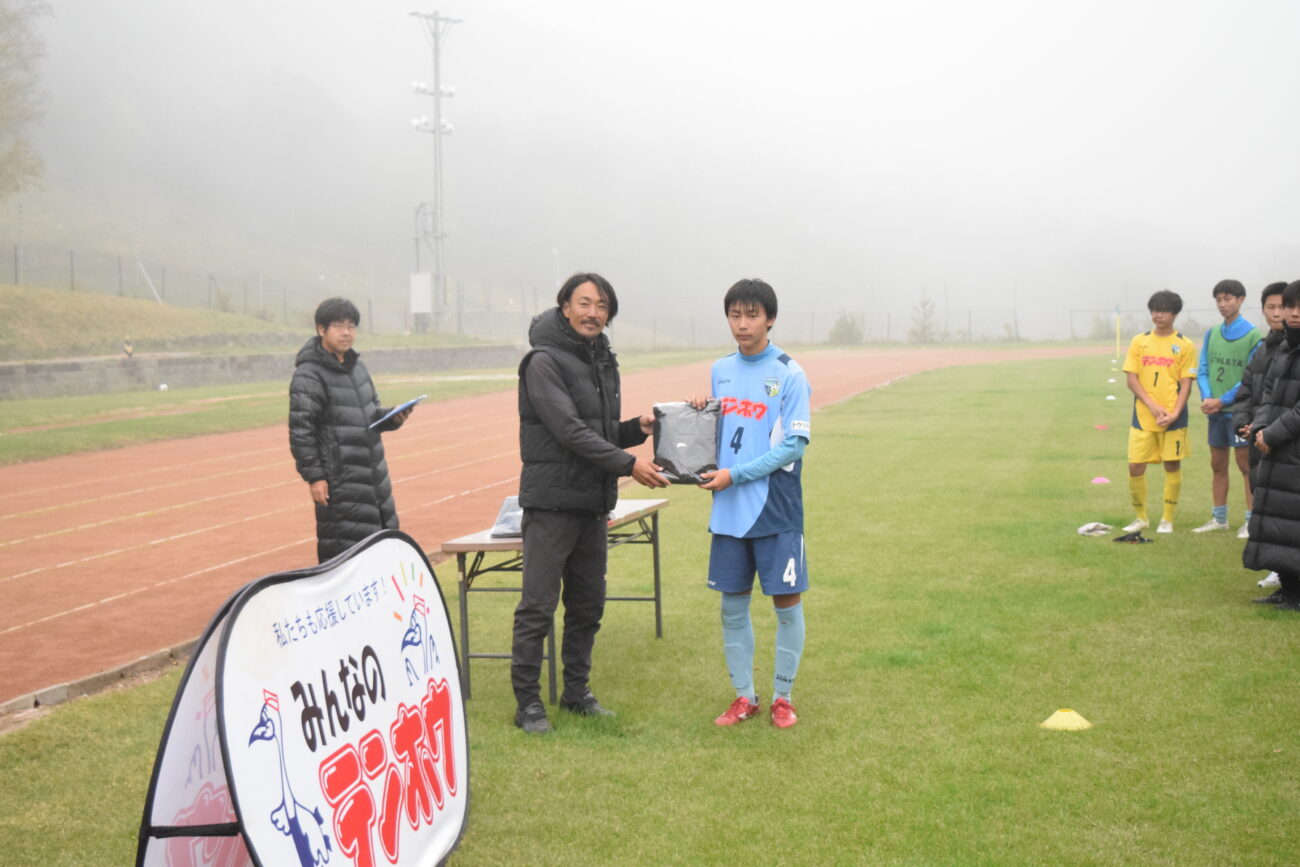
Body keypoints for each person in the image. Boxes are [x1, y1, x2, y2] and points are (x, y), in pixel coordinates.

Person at [511, 273, 668, 734]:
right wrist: (629, 464)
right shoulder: (542, 362)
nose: (593, 313)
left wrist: (636, 428)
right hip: (551, 504)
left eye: (602, 306)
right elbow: (568, 430)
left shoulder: (600, 359)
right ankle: (528, 703)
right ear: (564, 307)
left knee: (587, 606)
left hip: (592, 503)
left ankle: (576, 693)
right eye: (584, 303)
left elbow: (597, 431)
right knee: (538, 606)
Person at [694, 279, 812, 730]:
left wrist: (736, 475)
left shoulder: (789, 373)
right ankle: (745, 697)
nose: (742, 324)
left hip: (775, 508)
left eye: (752, 315)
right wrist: (700, 412)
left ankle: (783, 698)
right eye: (734, 315)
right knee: (732, 605)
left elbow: (793, 446)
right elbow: (718, 434)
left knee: (786, 602)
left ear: (770, 318)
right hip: (728, 508)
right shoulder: (720, 370)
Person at [289, 297, 412, 563]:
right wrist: (315, 476)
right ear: (321, 329)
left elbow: (371, 414)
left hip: (374, 479)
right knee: (346, 555)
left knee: (382, 551)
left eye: (351, 326)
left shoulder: (358, 368)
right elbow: (301, 430)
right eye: (338, 326)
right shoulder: (309, 375)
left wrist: (392, 418)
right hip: (340, 482)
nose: (346, 333)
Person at [1242, 280, 1300, 609]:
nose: (1293, 313)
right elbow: (1267, 393)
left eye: (1299, 307)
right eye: (1290, 306)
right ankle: (1288, 589)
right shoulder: (1283, 347)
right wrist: (1261, 428)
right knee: (1279, 524)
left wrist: (1273, 433)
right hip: (1274, 450)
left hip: (1291, 448)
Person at [1122, 290, 1196, 534]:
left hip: (1174, 418)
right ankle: (1141, 517)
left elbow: (1186, 383)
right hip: (1143, 416)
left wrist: (1174, 413)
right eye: (1155, 310)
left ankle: (1167, 519)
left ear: (1174, 314)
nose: (1158, 315)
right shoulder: (1139, 342)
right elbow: (1131, 379)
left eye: (1163, 311)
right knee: (1135, 467)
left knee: (1172, 465)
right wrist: (1152, 406)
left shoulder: (1184, 345)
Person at [1192, 279, 1262, 535]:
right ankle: (1219, 518)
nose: (1223, 304)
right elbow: (1203, 369)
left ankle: (1251, 521)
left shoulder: (1254, 335)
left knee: (1245, 466)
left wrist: (1222, 400)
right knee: (1217, 465)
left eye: (1228, 299)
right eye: (1219, 300)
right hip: (1215, 413)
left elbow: (1249, 378)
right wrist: (1209, 398)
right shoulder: (1212, 333)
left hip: (1239, 413)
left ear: (1241, 300)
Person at [1231, 282, 1287, 559]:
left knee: (1286, 511)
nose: (1276, 313)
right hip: (1258, 439)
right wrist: (1244, 422)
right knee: (1265, 505)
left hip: (1284, 442)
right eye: (1270, 307)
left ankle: (1284, 572)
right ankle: (1278, 569)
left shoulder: (1292, 349)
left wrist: (1270, 429)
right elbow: (1246, 390)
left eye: (1283, 307)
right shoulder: (1263, 349)